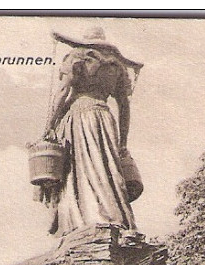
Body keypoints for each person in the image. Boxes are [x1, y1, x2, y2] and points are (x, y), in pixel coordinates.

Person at [40, 27, 143, 241]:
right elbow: (124, 107)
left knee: (77, 170)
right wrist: (123, 142)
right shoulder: (116, 66)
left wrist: (48, 126)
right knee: (105, 167)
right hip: (104, 118)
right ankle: (113, 216)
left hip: (79, 116)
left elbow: (61, 94)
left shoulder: (78, 57)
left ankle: (84, 220)